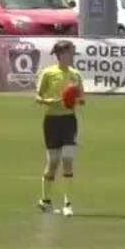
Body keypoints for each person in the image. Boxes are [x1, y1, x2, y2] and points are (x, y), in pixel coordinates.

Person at [35, 41, 85, 218]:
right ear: (61, 54)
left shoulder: (75, 74)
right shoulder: (48, 73)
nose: (72, 56)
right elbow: (38, 97)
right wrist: (53, 102)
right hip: (51, 121)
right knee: (53, 163)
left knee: (67, 158)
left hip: (69, 121)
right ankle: (45, 201)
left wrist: (74, 100)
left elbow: (82, 98)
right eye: (71, 53)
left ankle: (68, 204)